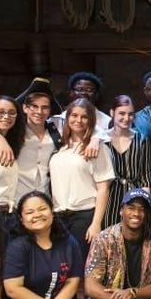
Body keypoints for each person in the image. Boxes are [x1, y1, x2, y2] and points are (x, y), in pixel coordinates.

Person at [0, 78, 63, 200]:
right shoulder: (15, 129)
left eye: (45, 107)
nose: (39, 111)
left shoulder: (56, 130)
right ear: (25, 108)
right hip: (17, 199)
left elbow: (86, 121)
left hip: (45, 198)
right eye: (34, 106)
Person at [49, 97, 114, 248]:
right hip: (57, 216)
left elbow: (103, 188)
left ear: (91, 120)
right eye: (74, 115)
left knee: (79, 267)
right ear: (67, 117)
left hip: (83, 216)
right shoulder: (60, 146)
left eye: (84, 117)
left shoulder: (98, 148)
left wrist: (96, 224)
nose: (78, 120)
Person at [102, 94, 151, 228]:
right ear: (112, 113)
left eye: (130, 114)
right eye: (122, 113)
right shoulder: (102, 139)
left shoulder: (141, 139)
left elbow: (145, 179)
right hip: (108, 200)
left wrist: (147, 205)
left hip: (134, 199)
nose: (126, 118)